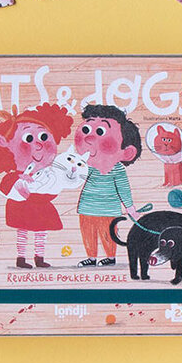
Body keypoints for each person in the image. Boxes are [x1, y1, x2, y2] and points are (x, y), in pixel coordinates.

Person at [0, 103, 73, 268]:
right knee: (22, 231)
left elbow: (53, 190)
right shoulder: (16, 176)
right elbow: (6, 185)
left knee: (41, 232)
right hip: (21, 206)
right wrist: (20, 183)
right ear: (5, 143)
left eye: (44, 137)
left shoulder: (49, 174)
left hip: (41, 206)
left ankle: (39, 258)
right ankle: (21, 258)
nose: (38, 145)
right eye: (29, 138)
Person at [74, 104, 142, 267]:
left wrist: (131, 208)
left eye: (100, 132)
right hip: (87, 207)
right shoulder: (88, 167)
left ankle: (110, 257)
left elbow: (123, 189)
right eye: (86, 130)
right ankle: (91, 257)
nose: (89, 139)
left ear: (127, 152)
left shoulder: (117, 169)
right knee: (88, 232)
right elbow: (77, 178)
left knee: (108, 233)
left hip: (109, 210)